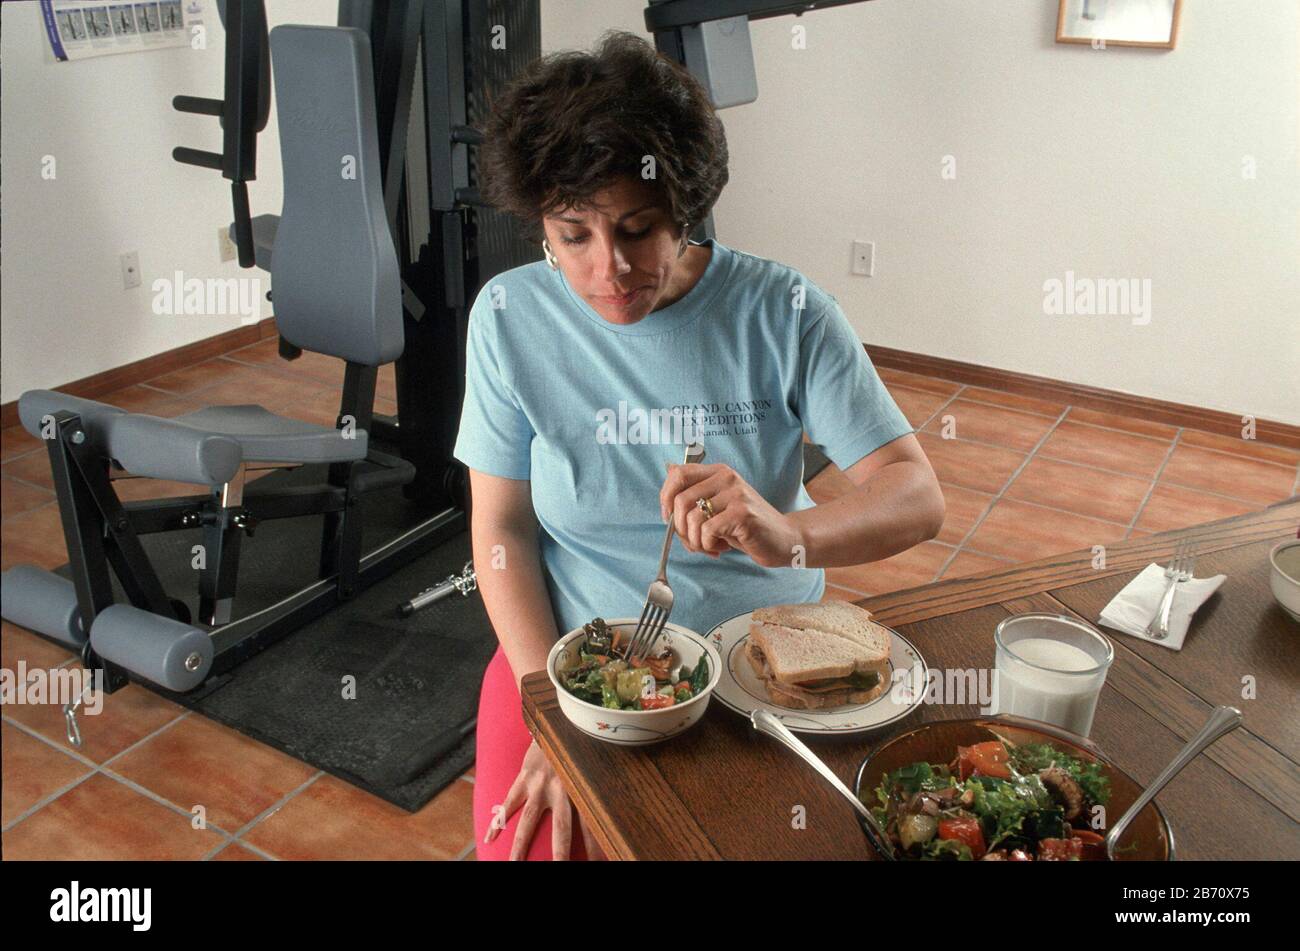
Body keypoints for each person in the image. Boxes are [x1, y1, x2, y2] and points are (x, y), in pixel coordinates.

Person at [453, 31, 945, 861]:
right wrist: (554, 704)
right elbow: (500, 528)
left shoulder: (785, 310)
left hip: (763, 667)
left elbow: (916, 494)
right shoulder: (509, 318)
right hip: (566, 657)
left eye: (638, 229)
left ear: (685, 205)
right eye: (573, 234)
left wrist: (790, 532)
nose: (607, 268)